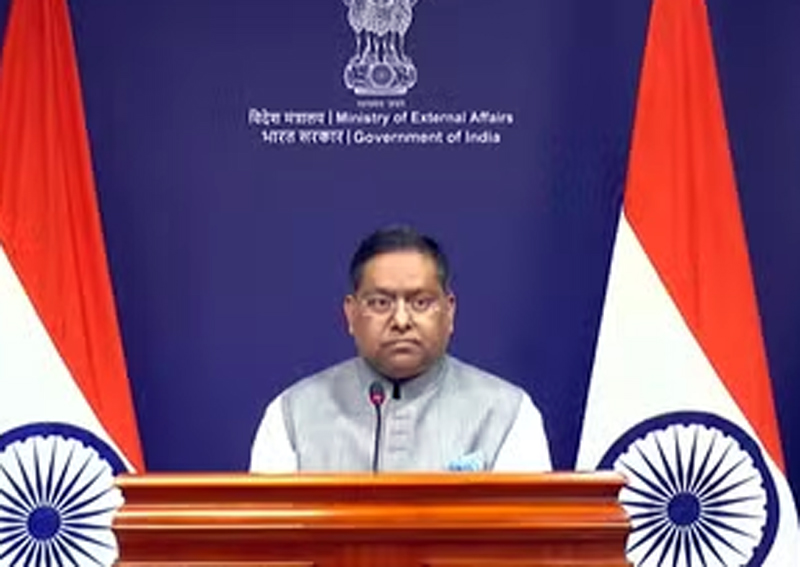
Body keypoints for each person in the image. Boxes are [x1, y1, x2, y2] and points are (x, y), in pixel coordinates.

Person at [249, 225, 551, 472]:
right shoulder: (292, 416)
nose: (402, 320)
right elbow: (267, 527)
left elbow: (528, 527)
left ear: (449, 311)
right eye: (381, 303)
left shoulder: (507, 413)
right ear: (351, 314)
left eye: (421, 302)